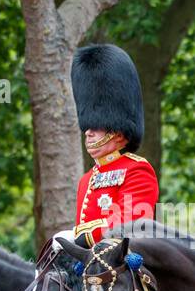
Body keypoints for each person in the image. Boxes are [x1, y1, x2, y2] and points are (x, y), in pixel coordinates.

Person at [51, 43, 159, 250]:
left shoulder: (137, 170)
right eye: (87, 125)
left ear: (117, 131)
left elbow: (131, 222)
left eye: (97, 126)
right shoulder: (87, 179)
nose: (88, 131)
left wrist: (78, 236)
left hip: (123, 266)